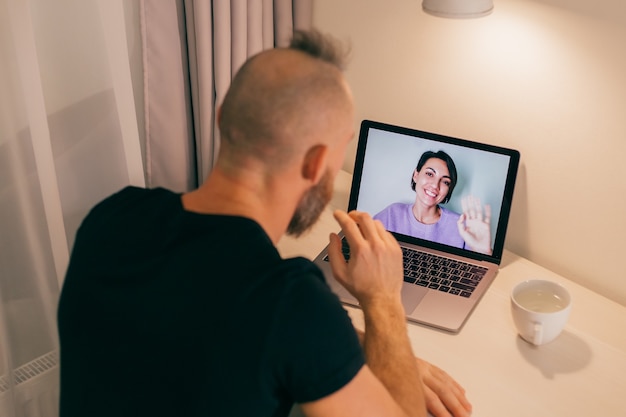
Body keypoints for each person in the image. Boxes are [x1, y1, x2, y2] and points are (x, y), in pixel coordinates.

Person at [57, 30, 472, 417]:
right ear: (313, 163)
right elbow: (284, 327)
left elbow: (194, 319)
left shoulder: (111, 218)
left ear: (222, 117)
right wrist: (383, 304)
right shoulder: (288, 300)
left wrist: (350, 346)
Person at [374, 150, 493, 255]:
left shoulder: (463, 226)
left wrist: (483, 252)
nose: (435, 185)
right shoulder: (392, 214)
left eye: (445, 182)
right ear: (416, 175)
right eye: (430, 174)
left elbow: (476, 271)